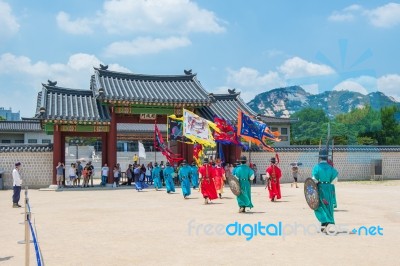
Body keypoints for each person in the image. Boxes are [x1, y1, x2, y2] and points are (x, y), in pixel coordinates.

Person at [312, 149, 338, 232]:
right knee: (328, 205)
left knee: (320, 206)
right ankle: (326, 224)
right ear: (327, 158)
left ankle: (324, 223)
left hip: (320, 188)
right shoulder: (331, 168)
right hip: (329, 188)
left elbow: (314, 180)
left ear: (320, 158)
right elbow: (335, 180)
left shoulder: (317, 167)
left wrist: (318, 183)